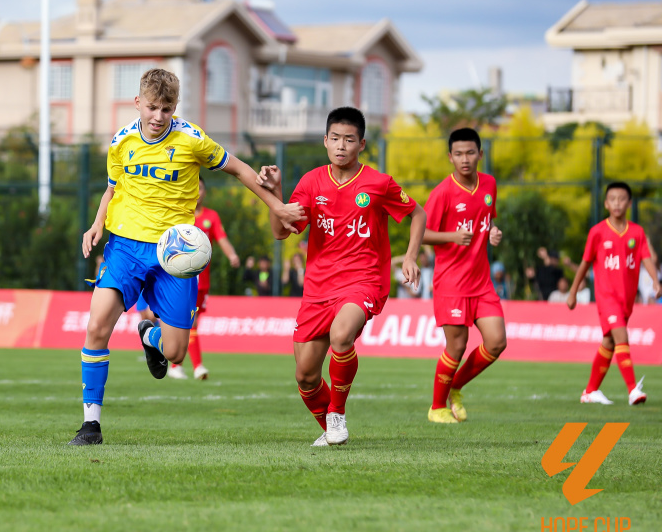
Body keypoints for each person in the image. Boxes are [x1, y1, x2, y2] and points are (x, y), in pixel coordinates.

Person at [71, 68, 305, 445]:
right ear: (138, 103)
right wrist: (97, 223)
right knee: (97, 327)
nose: (158, 116)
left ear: (175, 107)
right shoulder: (121, 141)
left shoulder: (192, 139)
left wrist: (276, 206)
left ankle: (149, 335)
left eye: (166, 109)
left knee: (176, 352)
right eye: (152, 107)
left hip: (175, 254)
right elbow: (112, 189)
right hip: (125, 247)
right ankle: (90, 425)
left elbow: (239, 169)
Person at [259, 106, 425, 447]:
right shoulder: (311, 182)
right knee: (305, 376)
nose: (341, 145)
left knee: (341, 335)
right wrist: (275, 194)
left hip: (363, 281)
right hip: (318, 287)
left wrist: (410, 256)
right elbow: (280, 231)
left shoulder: (379, 183)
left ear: (361, 144)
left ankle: (337, 414)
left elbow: (417, 213)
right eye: (335, 138)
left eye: (349, 139)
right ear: (325, 140)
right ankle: (331, 428)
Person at [421, 128, 507, 424]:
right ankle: (437, 408)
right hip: (451, 283)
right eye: (458, 154)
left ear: (480, 154)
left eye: (470, 153)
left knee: (496, 342)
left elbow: (488, 219)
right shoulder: (442, 193)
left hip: (481, 283)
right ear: (450, 157)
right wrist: (452, 236)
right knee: (457, 346)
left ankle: (455, 386)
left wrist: (493, 232)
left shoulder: (489, 184)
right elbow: (421, 233)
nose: (465, 159)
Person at [567, 182, 660, 406]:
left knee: (609, 341)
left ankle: (590, 391)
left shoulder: (637, 232)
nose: (617, 203)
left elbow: (646, 258)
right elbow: (585, 263)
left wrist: (656, 282)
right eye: (613, 199)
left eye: (622, 199)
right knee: (621, 336)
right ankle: (632, 390)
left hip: (626, 299)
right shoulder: (598, 232)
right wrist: (573, 292)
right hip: (606, 297)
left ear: (629, 203)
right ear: (606, 204)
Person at [168, 179, 240, 380]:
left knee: (192, 320)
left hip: (202, 281)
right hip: (181, 279)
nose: (197, 191)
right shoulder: (179, 215)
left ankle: (176, 365)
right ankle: (196, 366)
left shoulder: (211, 216)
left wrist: (232, 255)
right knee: (189, 320)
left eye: (200, 188)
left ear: (205, 192)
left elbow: (221, 238)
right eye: (193, 187)